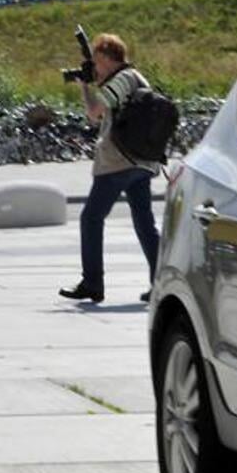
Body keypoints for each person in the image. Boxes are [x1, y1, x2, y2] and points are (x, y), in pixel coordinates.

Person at [61, 33, 163, 304]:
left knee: (91, 218)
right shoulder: (135, 77)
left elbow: (94, 113)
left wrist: (84, 86)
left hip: (118, 163)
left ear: (107, 58)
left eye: (96, 61)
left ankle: (93, 282)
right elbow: (107, 116)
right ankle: (162, 282)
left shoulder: (120, 80)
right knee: (144, 223)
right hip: (142, 162)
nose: (95, 67)